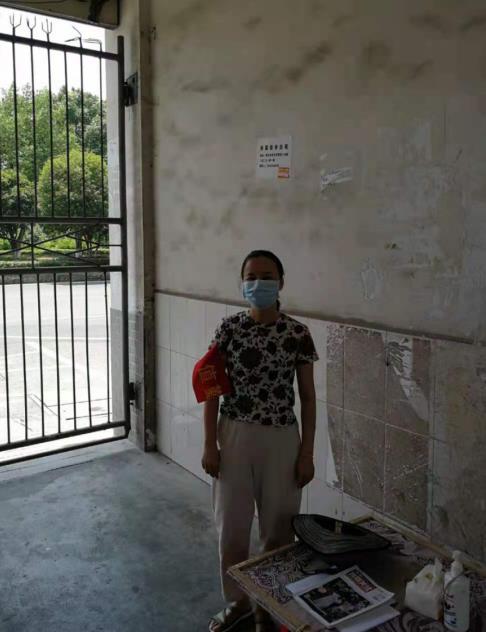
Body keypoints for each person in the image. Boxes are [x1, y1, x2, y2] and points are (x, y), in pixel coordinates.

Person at [203, 250, 318, 632]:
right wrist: (209, 444)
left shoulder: (297, 333)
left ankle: (268, 609)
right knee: (231, 528)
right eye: (251, 276)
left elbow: (308, 398)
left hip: (282, 439)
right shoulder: (228, 329)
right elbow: (211, 389)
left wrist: (306, 453)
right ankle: (237, 604)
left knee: (278, 531)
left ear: (281, 282)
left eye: (267, 276)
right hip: (234, 435)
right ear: (242, 283)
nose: (258, 283)